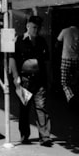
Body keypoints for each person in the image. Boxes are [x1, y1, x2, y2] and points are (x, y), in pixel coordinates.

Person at [10, 15, 53, 146]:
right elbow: (12, 59)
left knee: (41, 107)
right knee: (24, 108)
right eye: (34, 27)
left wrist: (49, 78)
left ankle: (45, 136)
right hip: (24, 79)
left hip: (39, 79)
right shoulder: (18, 41)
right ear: (28, 26)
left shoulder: (41, 41)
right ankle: (24, 135)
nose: (36, 30)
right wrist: (15, 76)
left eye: (38, 28)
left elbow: (46, 61)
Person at [56, 24, 79, 104]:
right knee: (74, 81)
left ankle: (71, 98)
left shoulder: (65, 31)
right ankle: (76, 96)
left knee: (64, 82)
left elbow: (58, 42)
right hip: (77, 58)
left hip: (66, 58)